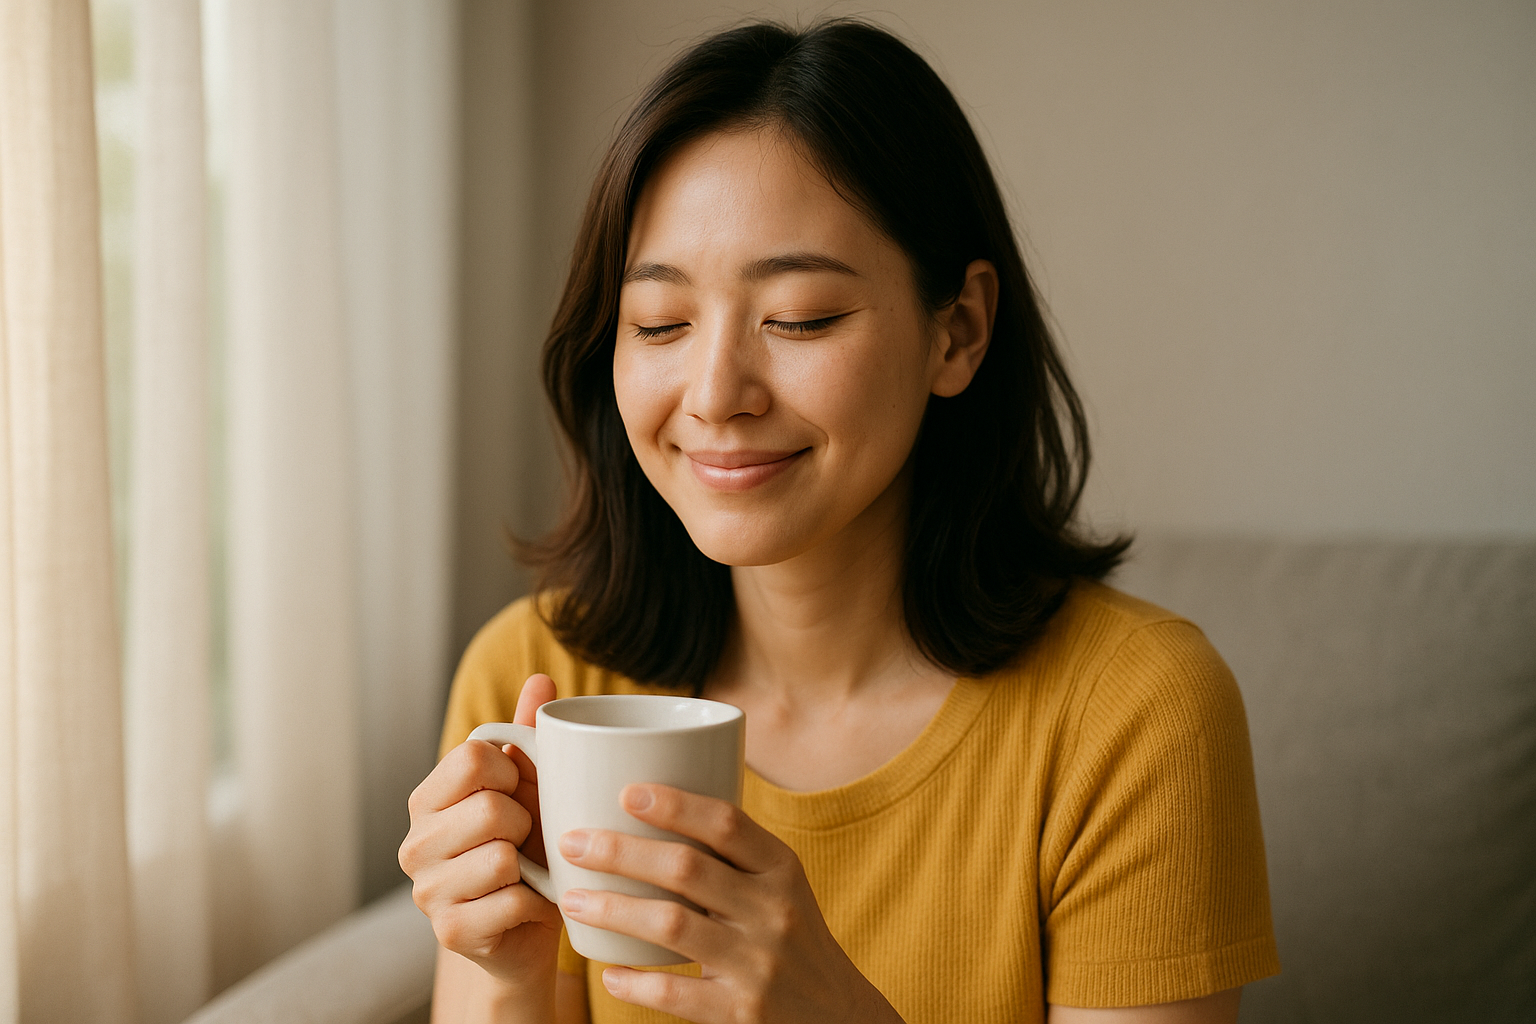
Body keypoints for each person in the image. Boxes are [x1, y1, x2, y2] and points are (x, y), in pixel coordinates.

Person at [399, 19, 1280, 1024]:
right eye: (660, 324)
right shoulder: (535, 680)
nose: (717, 392)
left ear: (959, 332)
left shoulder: (1135, 713)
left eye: (801, 316)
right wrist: (507, 973)